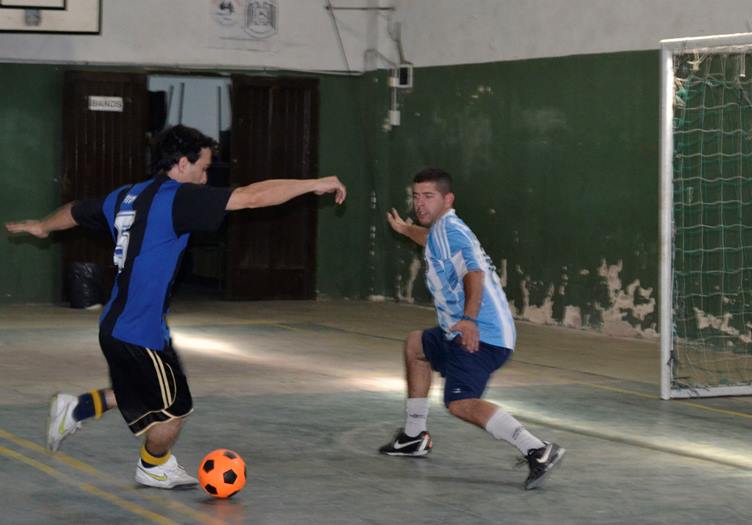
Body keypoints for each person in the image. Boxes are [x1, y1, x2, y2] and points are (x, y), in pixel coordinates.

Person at [5, 125, 346, 489]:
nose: (205, 177)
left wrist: (42, 226)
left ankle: (78, 409)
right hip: (135, 330)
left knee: (146, 391)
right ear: (182, 164)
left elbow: (76, 211)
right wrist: (313, 184)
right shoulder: (178, 198)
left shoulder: (126, 196)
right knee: (175, 410)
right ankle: (153, 466)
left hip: (130, 325)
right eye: (203, 168)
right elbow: (251, 197)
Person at [382, 167, 564, 490]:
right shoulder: (440, 230)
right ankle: (413, 436)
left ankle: (537, 449)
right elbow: (429, 241)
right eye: (416, 196)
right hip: (458, 330)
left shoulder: (452, 232)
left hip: (482, 334)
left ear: (447, 199)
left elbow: (474, 275)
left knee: (460, 402)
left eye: (428, 196)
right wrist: (406, 229)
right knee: (416, 345)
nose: (420, 203)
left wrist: (469, 319)